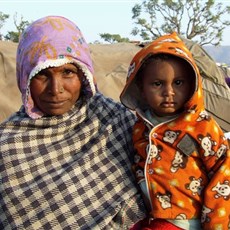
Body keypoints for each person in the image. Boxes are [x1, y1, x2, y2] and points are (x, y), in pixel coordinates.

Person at [0, 16, 147, 229]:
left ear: (84, 75)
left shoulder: (114, 120)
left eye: (68, 72)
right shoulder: (6, 147)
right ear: (26, 78)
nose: (56, 89)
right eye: (42, 75)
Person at [120, 32, 230, 230]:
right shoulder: (140, 127)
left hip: (189, 222)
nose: (169, 92)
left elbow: (224, 174)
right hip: (151, 218)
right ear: (141, 89)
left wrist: (216, 225)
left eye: (178, 83)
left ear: (192, 85)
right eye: (157, 84)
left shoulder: (201, 126)